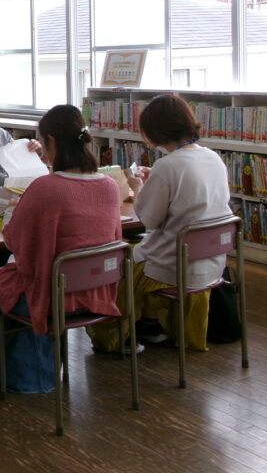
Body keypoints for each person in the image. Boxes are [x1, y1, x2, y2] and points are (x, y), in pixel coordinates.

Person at [0, 104, 122, 392]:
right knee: (7, 283)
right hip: (97, 292)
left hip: (53, 295)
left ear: (50, 141)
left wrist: (13, 211)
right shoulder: (110, 186)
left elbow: (14, 242)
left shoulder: (46, 187)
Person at [88, 94, 232, 353]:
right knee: (140, 251)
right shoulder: (213, 157)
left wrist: (138, 187)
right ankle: (152, 322)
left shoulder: (168, 166)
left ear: (154, 131)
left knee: (119, 261)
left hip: (174, 264)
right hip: (211, 262)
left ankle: (120, 335)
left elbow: (150, 220)